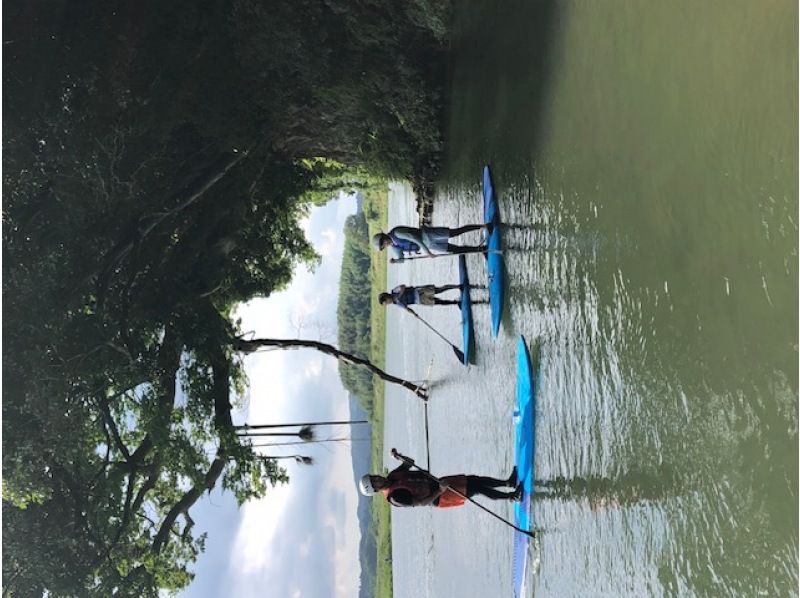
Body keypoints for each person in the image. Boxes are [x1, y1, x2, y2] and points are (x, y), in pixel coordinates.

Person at [359, 448, 520, 508]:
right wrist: (440, 490)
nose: (378, 479)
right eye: (376, 483)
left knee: (474, 479)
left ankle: (508, 482)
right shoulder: (395, 497)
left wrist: (399, 457)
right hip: (439, 496)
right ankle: (512, 497)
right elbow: (422, 503)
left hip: (438, 482)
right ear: (376, 490)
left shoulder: (393, 476)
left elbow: (411, 464)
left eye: (375, 477)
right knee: (475, 489)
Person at [371, 224, 490, 263]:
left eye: (383, 241)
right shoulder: (394, 246)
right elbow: (402, 258)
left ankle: (483, 226)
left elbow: (414, 239)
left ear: (383, 236)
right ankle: (481, 250)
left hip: (427, 235)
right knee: (455, 250)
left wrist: (428, 253)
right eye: (383, 245)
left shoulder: (396, 233)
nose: (385, 244)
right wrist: (396, 261)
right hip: (429, 245)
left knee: (455, 233)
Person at [378, 284, 461, 307]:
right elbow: (406, 308)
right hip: (420, 301)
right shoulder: (396, 303)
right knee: (439, 302)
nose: (388, 303)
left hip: (419, 292)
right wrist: (414, 314)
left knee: (439, 290)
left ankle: (458, 286)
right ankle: (456, 302)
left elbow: (403, 286)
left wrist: (399, 295)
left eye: (386, 302)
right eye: (387, 304)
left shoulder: (394, 291)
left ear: (387, 297)